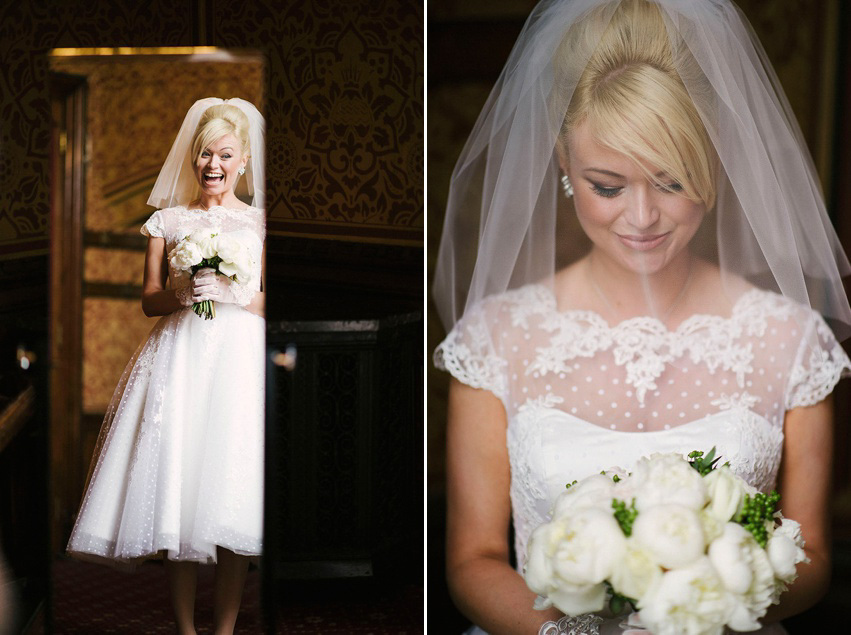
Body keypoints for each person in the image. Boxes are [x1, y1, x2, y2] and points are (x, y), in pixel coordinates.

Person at [432, 1, 851, 633]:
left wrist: (707, 606)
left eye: (672, 180)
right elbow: (474, 558)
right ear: (564, 164)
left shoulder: (790, 340)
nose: (643, 217)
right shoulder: (497, 340)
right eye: (607, 185)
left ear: (712, 156)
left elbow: (813, 557)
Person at [66, 97, 266, 635]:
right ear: (192, 159)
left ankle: (223, 631)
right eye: (204, 154)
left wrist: (231, 289)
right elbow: (147, 299)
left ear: (244, 160)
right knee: (179, 491)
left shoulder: (261, 223)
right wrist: (182, 293)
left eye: (225, 154)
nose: (213, 165)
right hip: (181, 356)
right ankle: (185, 629)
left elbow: (267, 301)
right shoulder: (167, 221)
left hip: (237, 363)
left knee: (230, 494)